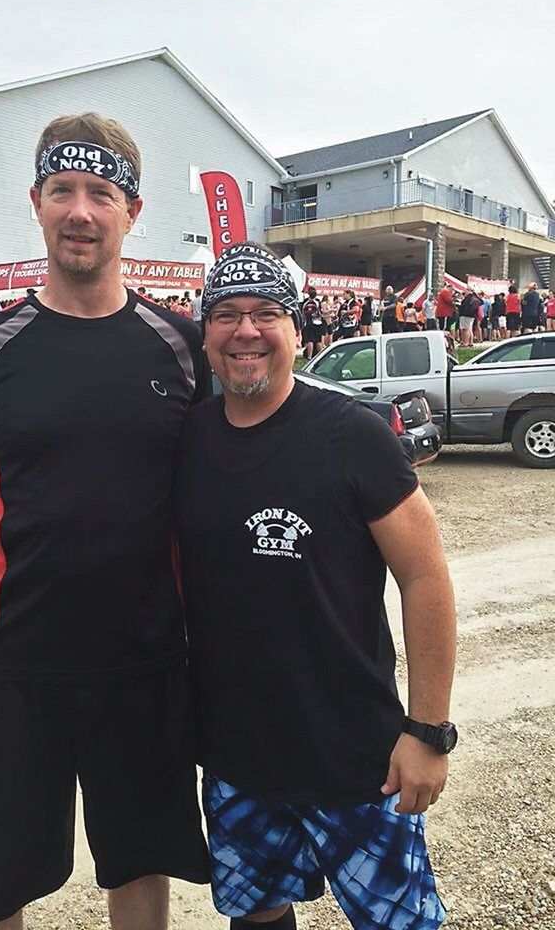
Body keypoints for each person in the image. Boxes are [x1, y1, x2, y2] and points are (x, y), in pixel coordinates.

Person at [0, 112, 211, 930]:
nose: (81, 209)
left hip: (146, 663)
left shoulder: (180, 348)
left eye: (101, 193)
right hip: (12, 668)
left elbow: (229, 493)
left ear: (131, 212)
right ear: (36, 202)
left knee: (140, 872)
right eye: (63, 190)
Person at [176, 241, 457, 930]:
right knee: (258, 917)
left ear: (298, 331)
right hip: (238, 758)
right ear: (205, 333)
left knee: (399, 922)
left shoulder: (353, 436)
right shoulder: (187, 440)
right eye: (227, 315)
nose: (246, 331)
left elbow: (425, 578)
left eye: (267, 313)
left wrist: (426, 731)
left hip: (359, 758)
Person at [301, 289, 324, 358]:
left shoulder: (305, 303)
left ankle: (309, 356)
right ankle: (320, 356)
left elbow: (303, 313)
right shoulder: (317, 302)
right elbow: (321, 312)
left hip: (308, 323)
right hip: (317, 323)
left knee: (309, 340)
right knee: (318, 340)